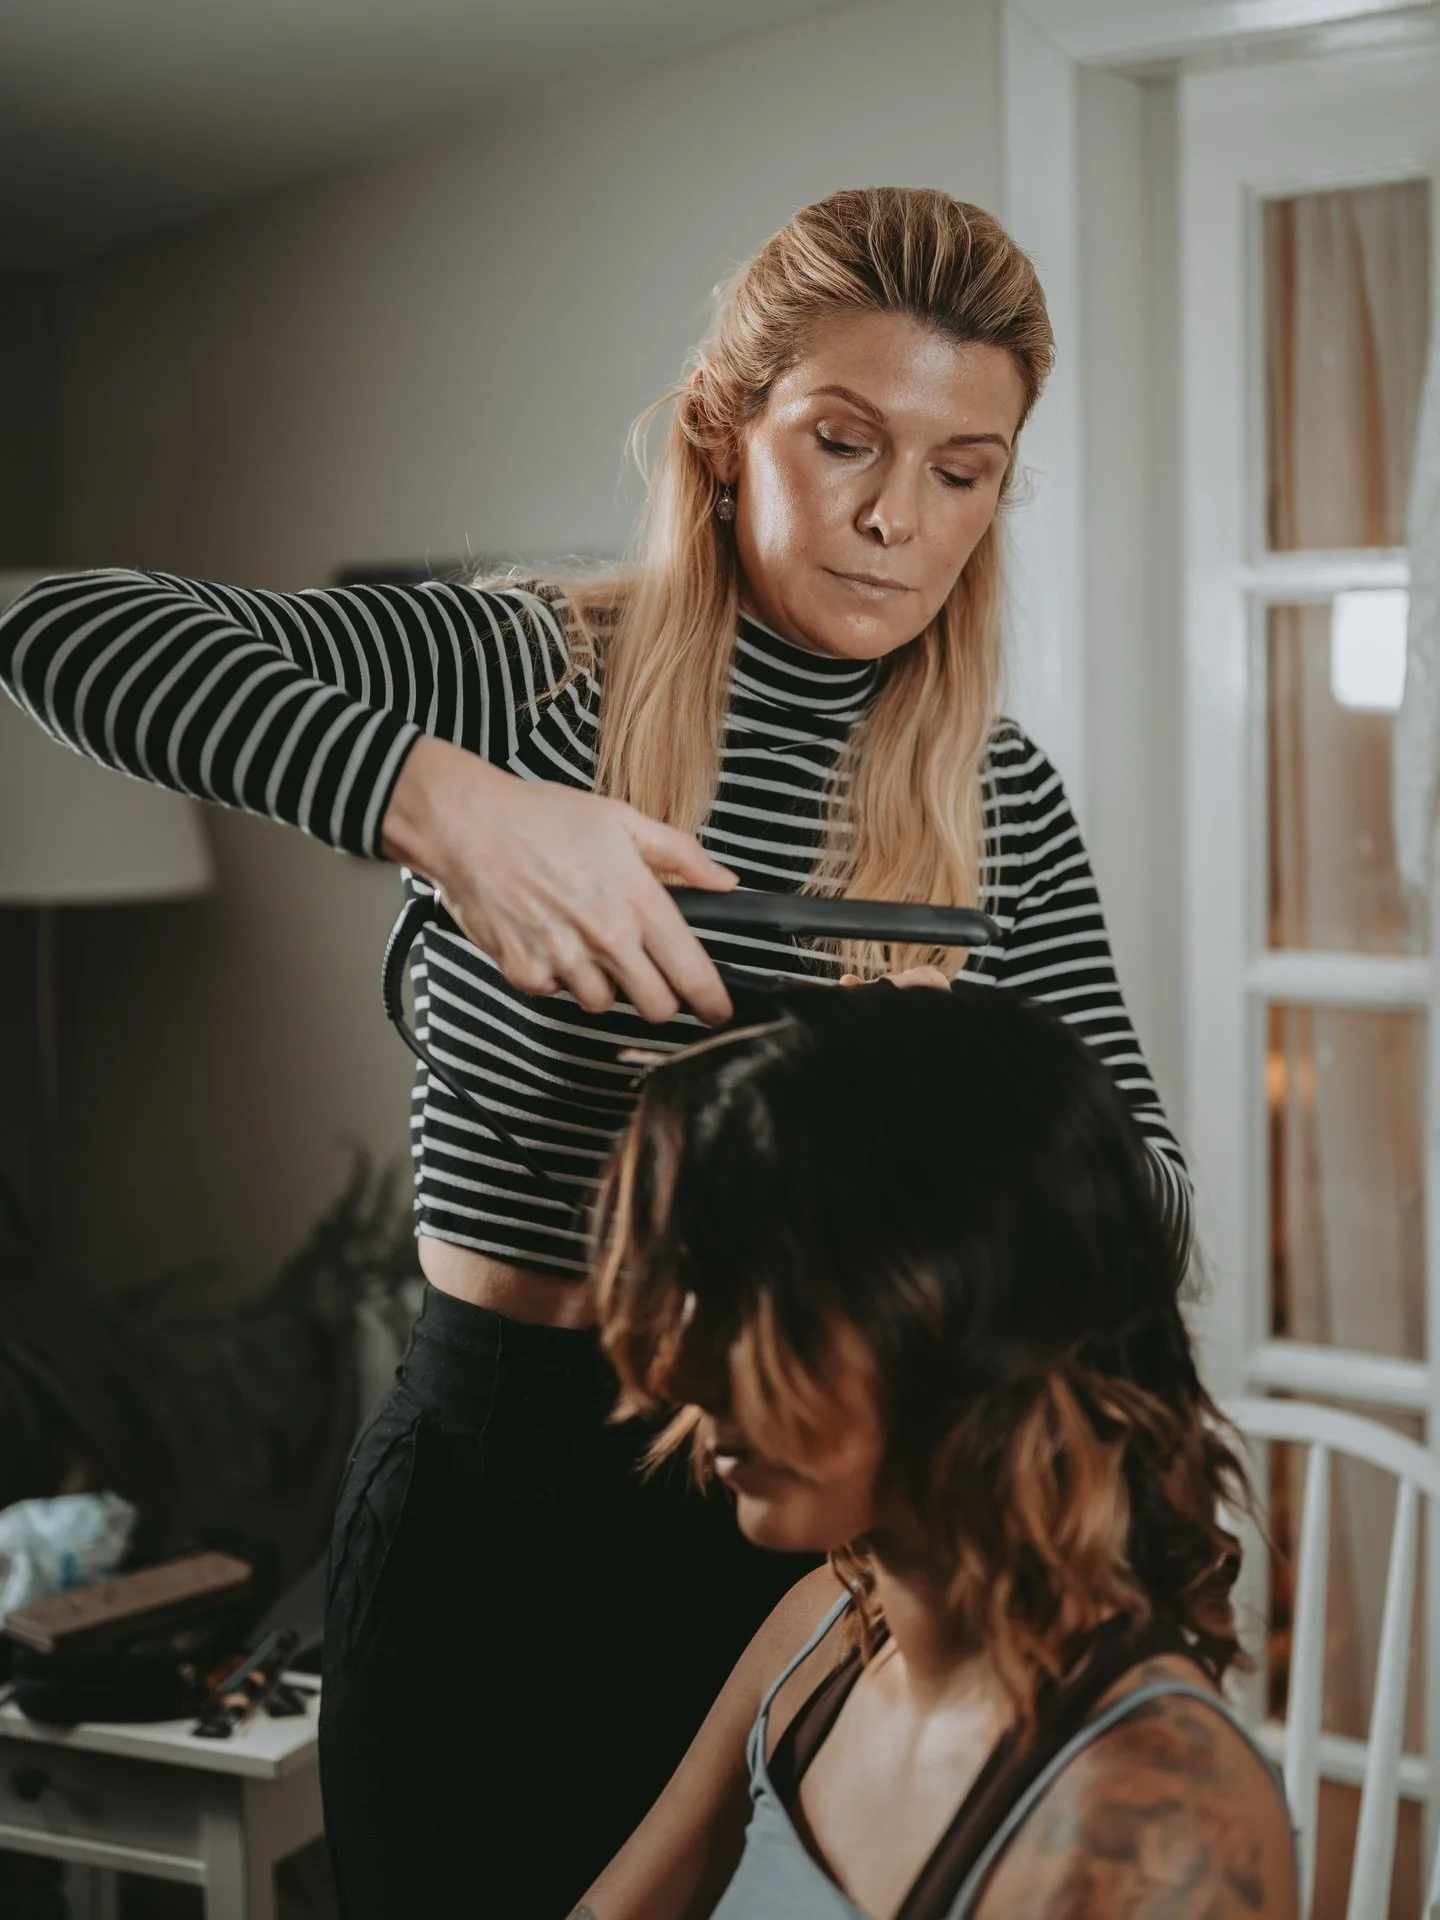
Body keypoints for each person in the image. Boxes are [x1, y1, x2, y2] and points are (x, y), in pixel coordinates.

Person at [0, 188, 1191, 1916]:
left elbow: (1144, 1207)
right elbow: (56, 633)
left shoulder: (995, 797)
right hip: (507, 1493)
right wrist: (456, 810)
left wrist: (945, 1126)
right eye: (843, 440)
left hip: (827, 1529)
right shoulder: (527, 673)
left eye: (963, 468)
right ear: (727, 433)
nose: (892, 518)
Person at [579, 981, 1296, 1920]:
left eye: (768, 1302)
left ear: (976, 1315)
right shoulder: (822, 1641)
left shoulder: (1162, 1836)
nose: (683, 1371)